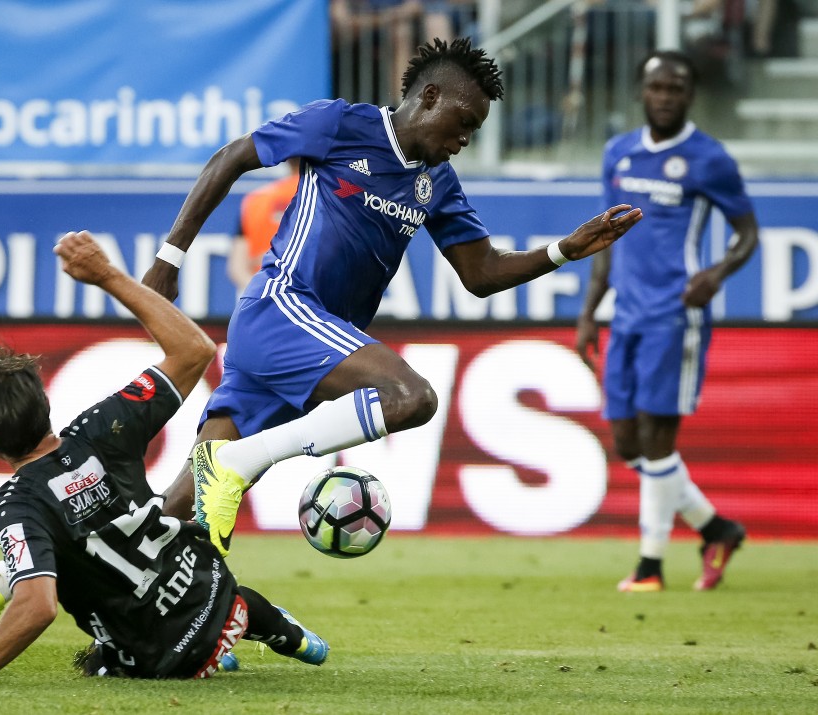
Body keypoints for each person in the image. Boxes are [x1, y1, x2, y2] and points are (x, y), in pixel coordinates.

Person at [140, 38, 643, 559]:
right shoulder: (340, 124)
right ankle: (238, 464)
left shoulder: (438, 183)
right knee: (411, 398)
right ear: (429, 96)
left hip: (313, 346)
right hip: (282, 308)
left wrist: (565, 250)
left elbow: (482, 272)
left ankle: (112, 588)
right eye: (464, 121)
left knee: (179, 510)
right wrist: (169, 257)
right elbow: (232, 157)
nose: (466, 138)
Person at [0, 231, 327, 685]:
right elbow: (195, 351)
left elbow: (39, 606)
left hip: (160, 662)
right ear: (44, 404)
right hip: (215, 593)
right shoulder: (101, 428)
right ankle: (280, 631)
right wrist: (107, 276)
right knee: (202, 587)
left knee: (98, 656)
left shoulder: (15, 504)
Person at [575, 50, 759, 593]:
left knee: (658, 440)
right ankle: (717, 528)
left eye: (675, 89)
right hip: (625, 316)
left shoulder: (709, 158)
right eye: (656, 87)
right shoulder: (619, 153)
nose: (665, 97)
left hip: (676, 316)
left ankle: (651, 566)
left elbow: (747, 233)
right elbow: (605, 241)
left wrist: (718, 273)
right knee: (628, 443)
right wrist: (589, 313)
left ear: (689, 95)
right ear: (641, 91)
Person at [226, 157, 301, 296]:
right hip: (310, 301)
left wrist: (264, 293)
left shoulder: (256, 199)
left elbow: (237, 267)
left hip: (262, 297)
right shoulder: (331, 196)